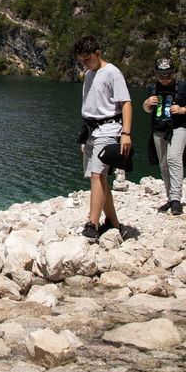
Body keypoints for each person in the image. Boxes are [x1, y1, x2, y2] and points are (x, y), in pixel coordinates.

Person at [73, 35, 132, 240]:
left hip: (108, 129)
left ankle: (92, 224)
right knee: (99, 178)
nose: (84, 63)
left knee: (98, 175)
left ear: (98, 54)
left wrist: (125, 133)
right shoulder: (90, 73)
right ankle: (114, 223)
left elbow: (125, 103)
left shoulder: (112, 73)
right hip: (90, 130)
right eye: (81, 60)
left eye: (87, 59)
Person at [142, 57, 186, 216]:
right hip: (159, 128)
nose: (164, 78)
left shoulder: (182, 87)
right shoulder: (152, 88)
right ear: (155, 74)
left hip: (178, 127)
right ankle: (170, 196)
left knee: (174, 158)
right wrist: (146, 103)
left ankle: (176, 199)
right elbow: (147, 109)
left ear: (173, 73)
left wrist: (182, 110)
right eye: (161, 75)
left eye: (168, 75)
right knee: (164, 164)